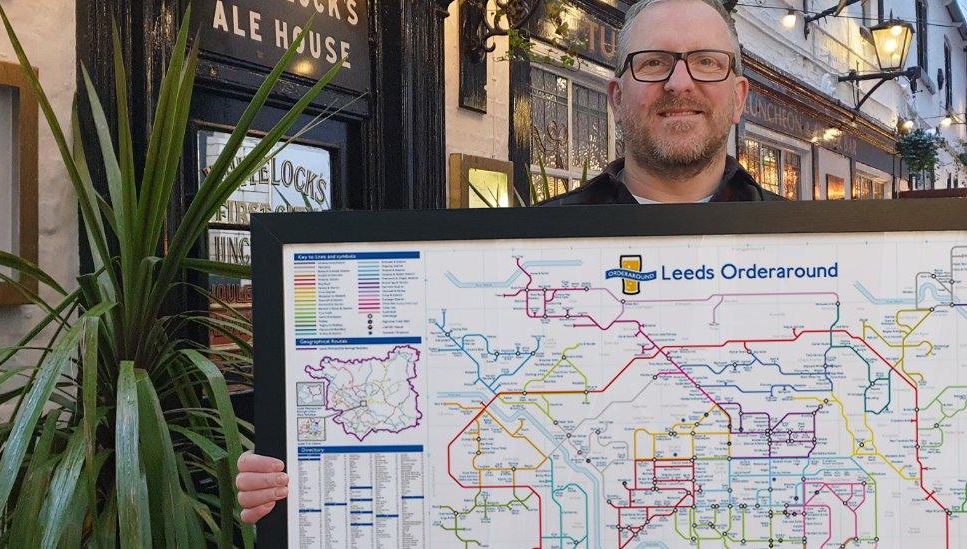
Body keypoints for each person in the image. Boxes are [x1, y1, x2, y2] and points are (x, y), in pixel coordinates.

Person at [235, 0, 780, 525]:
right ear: (616, 95)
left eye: (706, 62)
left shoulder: (834, 257)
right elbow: (439, 407)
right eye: (653, 63)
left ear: (738, 96)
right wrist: (299, 476)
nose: (679, 83)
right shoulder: (519, 258)